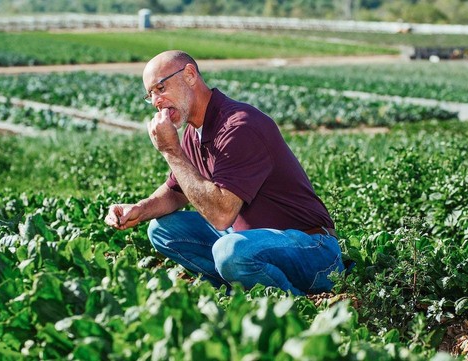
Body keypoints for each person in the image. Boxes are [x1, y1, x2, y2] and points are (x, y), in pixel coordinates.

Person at [105, 50, 344, 295]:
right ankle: (237, 292)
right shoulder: (192, 133)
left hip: (312, 250)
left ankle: (295, 304)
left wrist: (170, 151)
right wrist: (138, 209)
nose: (156, 101)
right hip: (251, 243)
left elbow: (221, 216)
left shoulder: (239, 126)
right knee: (162, 230)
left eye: (161, 88)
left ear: (189, 75)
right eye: (150, 95)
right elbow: (176, 193)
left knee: (229, 251)